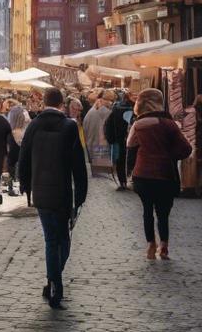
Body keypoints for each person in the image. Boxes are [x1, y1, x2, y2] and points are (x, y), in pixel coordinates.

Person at [18, 86, 88, 309]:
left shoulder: (34, 125)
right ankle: (56, 282)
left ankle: (53, 282)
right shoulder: (69, 126)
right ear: (62, 104)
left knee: (50, 239)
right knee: (63, 240)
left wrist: (25, 186)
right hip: (62, 192)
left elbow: (24, 156)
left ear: (44, 102)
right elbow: (78, 165)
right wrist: (81, 195)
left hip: (40, 192)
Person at [126, 88, 192, 260]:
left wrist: (129, 171)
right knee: (163, 213)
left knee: (147, 211)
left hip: (143, 174)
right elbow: (186, 149)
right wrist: (170, 155)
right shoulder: (170, 124)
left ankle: (150, 245)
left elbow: (130, 148)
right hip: (165, 174)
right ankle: (164, 245)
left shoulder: (138, 125)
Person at [104, 90, 134, 189]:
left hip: (119, 140)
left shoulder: (116, 108)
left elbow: (108, 125)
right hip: (133, 141)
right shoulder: (137, 109)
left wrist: (111, 139)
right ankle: (130, 180)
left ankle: (122, 182)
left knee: (120, 160)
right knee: (130, 159)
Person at [82, 93, 112, 176]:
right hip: (99, 143)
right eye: (109, 100)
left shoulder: (91, 111)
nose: (110, 103)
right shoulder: (104, 112)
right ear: (101, 100)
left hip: (93, 142)